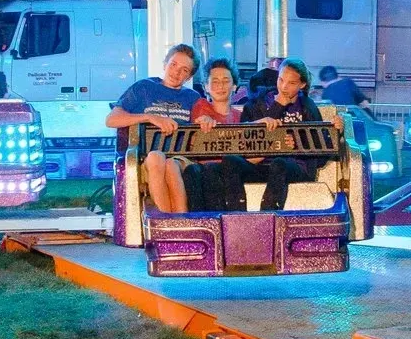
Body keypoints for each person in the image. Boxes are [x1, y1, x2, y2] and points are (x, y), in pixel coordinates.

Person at [221, 58, 345, 211]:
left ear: (302, 85)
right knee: (230, 161)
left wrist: (336, 133)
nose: (284, 87)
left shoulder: (307, 107)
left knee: (279, 163)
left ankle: (269, 214)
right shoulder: (258, 103)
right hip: (261, 164)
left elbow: (320, 156)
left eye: (291, 83)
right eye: (281, 80)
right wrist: (278, 105)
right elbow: (249, 141)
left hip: (295, 167)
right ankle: (235, 215)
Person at [105, 44, 202, 213]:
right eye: (173, 65)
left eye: (184, 70)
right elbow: (111, 120)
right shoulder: (144, 87)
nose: (176, 72)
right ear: (165, 64)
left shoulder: (192, 97)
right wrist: (149, 117)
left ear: (189, 76)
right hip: (149, 157)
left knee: (171, 164)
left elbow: (202, 126)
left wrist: (205, 119)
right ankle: (164, 222)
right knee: (157, 157)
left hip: (181, 158)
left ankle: (181, 222)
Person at [185, 56, 244, 211]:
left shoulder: (241, 117)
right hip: (206, 172)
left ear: (235, 86)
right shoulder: (202, 106)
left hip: (233, 172)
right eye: (215, 81)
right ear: (206, 87)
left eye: (226, 80)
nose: (220, 86)